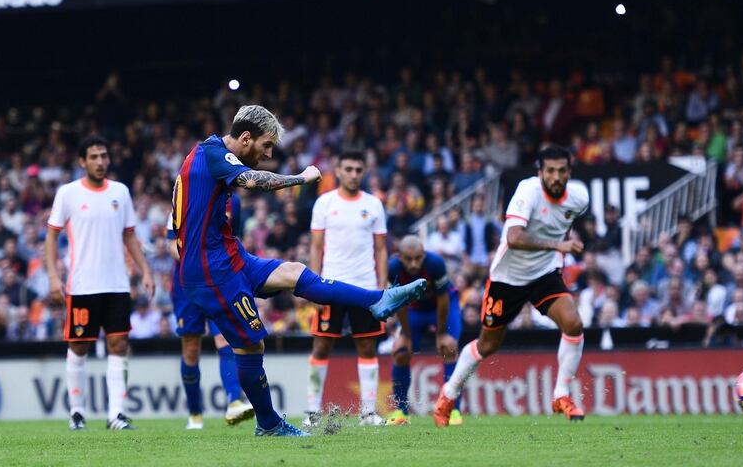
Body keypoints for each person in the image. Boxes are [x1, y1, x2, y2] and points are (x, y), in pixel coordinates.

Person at [171, 105, 426, 437]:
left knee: (293, 271)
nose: (268, 153)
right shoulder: (215, 155)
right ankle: (269, 423)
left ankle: (378, 299)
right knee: (250, 347)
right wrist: (300, 179)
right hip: (211, 269)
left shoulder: (209, 150)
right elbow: (253, 180)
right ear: (245, 138)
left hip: (228, 256)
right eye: (265, 145)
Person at [434, 146, 589, 426]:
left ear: (569, 172)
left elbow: (558, 223)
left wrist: (559, 250)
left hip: (543, 274)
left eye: (561, 171)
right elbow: (515, 237)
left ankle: (561, 394)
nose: (556, 177)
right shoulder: (527, 191)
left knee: (574, 324)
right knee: (488, 345)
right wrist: (559, 245)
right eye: (550, 171)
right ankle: (448, 394)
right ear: (540, 172)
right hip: (507, 279)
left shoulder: (579, 198)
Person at [45, 135, 156, 431]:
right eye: (93, 157)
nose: (100, 162)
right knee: (79, 346)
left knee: (119, 344)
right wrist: (54, 276)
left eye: (104, 156)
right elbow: (52, 236)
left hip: (117, 284)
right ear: (82, 161)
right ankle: (77, 412)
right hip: (82, 285)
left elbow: (130, 236)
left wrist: (145, 270)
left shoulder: (121, 191)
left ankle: (116, 414)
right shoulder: (68, 194)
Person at [304, 152, 389, 427]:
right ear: (338, 170)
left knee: (367, 345)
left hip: (364, 286)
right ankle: (312, 413)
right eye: (349, 169)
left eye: (358, 169)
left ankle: (368, 413)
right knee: (321, 345)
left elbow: (381, 249)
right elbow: (316, 246)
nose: (354, 174)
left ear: (364, 172)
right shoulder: (324, 203)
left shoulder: (374, 204)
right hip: (330, 286)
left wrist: (382, 287)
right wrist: (313, 287)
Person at [166, 196, 255, 431]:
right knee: (191, 348)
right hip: (187, 285)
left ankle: (234, 400)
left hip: (218, 280)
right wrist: (197, 260)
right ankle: (195, 413)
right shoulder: (184, 200)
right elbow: (170, 244)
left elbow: (235, 237)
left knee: (223, 338)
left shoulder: (233, 202)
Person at [387, 236, 460, 426]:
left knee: (449, 347)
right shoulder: (393, 268)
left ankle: (453, 411)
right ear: (399, 257)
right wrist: (407, 337)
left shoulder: (435, 263)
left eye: (418, 258)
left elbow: (443, 299)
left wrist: (441, 333)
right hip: (415, 309)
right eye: (408, 259)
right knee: (400, 350)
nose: (414, 264)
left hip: (442, 307)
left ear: (424, 255)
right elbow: (400, 302)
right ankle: (401, 412)